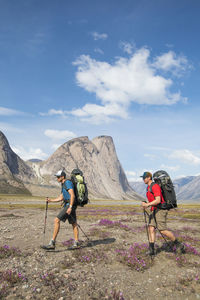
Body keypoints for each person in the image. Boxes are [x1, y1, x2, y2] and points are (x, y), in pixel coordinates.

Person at [141, 171, 184, 256]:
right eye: (142, 178)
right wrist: (147, 204)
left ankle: (179, 244)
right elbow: (153, 200)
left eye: (144, 177)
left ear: (149, 178)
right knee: (151, 228)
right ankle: (151, 251)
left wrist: (147, 204)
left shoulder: (155, 186)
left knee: (163, 230)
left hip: (161, 209)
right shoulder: (148, 188)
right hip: (154, 210)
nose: (143, 179)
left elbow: (158, 200)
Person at [44, 170, 79, 250]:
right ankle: (76, 243)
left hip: (70, 205)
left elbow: (72, 195)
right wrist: (51, 200)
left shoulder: (67, 183)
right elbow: (61, 197)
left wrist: (70, 207)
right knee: (74, 223)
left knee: (56, 220)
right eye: (57, 177)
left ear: (62, 177)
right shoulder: (63, 184)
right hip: (69, 205)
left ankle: (52, 243)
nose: (57, 178)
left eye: (58, 177)